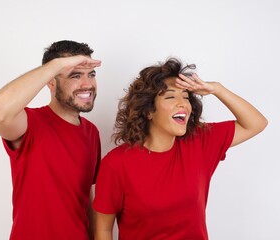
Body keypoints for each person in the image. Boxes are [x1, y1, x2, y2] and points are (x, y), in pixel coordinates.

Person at [93, 57, 268, 240]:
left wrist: (217, 88)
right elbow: (103, 230)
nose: (182, 103)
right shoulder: (116, 164)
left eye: (185, 96)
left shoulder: (199, 142)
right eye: (170, 96)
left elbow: (256, 123)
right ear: (148, 111)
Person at [0, 40, 102, 240]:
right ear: (51, 81)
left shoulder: (92, 132)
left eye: (91, 74)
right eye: (75, 75)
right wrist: (56, 65)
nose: (88, 84)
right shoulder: (30, 123)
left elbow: (86, 198)